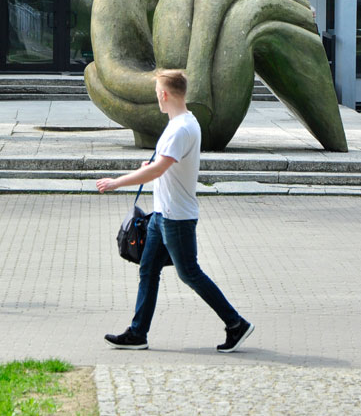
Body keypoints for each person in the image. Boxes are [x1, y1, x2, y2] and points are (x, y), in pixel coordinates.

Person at [96, 69, 254, 353]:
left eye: (157, 92)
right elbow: (162, 164)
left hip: (176, 217)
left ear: (164, 95)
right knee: (148, 270)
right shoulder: (181, 122)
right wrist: (151, 168)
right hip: (161, 215)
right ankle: (137, 333)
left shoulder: (181, 128)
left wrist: (117, 182)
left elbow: (159, 168)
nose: (157, 97)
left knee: (190, 273)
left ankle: (236, 324)